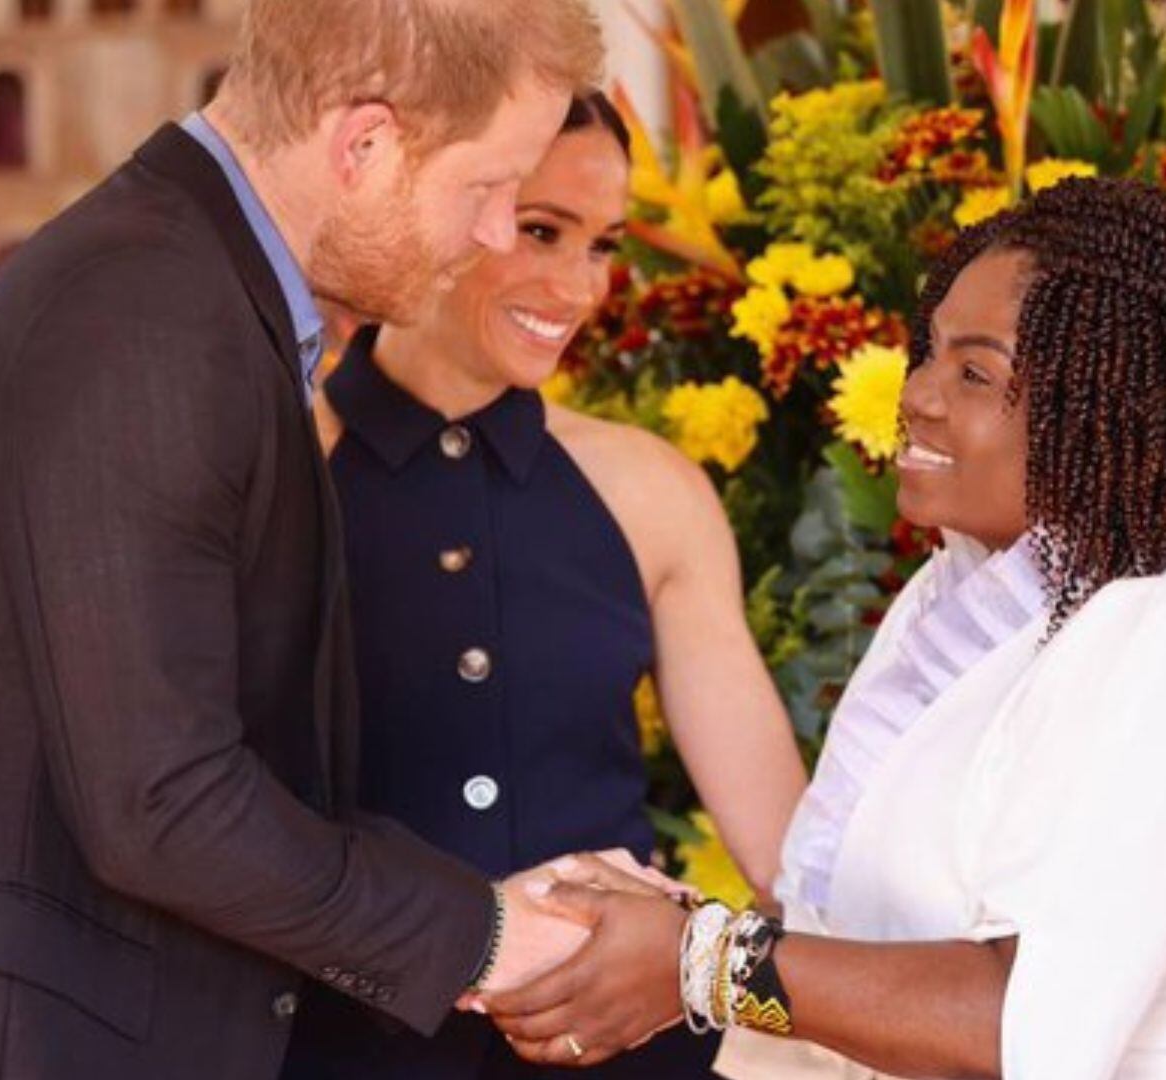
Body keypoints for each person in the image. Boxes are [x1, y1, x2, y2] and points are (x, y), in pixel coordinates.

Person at [0, 2, 617, 1077]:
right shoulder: (146, 319)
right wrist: (488, 936)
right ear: (365, 145)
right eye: (488, 188)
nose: (492, 233)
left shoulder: (191, 290)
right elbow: (163, 803)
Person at [475, 178, 1166, 1079]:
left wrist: (700, 960)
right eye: (930, 354)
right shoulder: (957, 602)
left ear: (1104, 405)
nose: (918, 395)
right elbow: (867, 950)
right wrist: (650, 924)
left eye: (975, 373)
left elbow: (1025, 1030)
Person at [280, 93, 808, 1079]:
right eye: (538, 230)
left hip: (622, 1055)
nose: (578, 286)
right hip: (338, 1051)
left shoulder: (655, 491)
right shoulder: (275, 468)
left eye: (602, 243)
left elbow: (790, 856)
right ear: (440, 203)